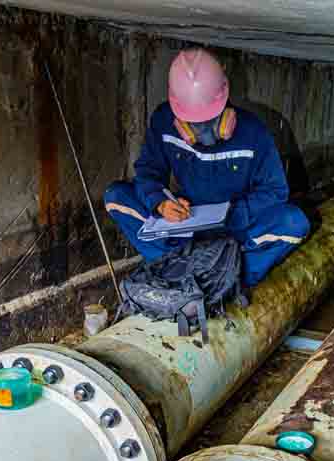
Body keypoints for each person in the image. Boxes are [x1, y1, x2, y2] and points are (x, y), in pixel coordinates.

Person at [104, 48, 310, 287]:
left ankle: (229, 277)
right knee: (116, 196)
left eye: (211, 118)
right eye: (193, 122)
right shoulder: (163, 121)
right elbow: (148, 172)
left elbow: (275, 191)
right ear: (176, 107)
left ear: (224, 96)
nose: (203, 132)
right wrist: (160, 203)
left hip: (235, 228)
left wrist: (233, 215)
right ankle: (183, 266)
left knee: (294, 222)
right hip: (186, 226)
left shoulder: (254, 132)